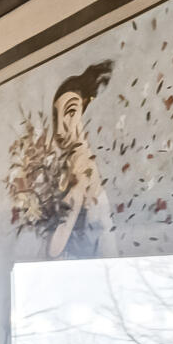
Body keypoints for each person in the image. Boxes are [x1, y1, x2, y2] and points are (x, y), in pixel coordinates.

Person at [44, 61, 117, 259]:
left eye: (71, 113)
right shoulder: (68, 166)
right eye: (56, 116)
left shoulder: (82, 165)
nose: (60, 129)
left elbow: (54, 248)